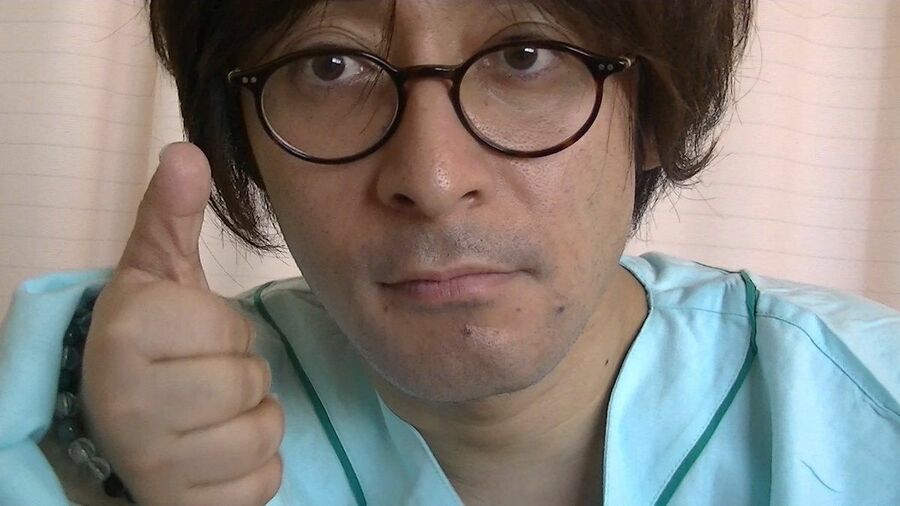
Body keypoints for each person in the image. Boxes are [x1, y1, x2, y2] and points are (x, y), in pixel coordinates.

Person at [0, 0, 897, 505]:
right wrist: (88, 468)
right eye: (329, 66)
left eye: (526, 55)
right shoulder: (119, 417)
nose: (429, 178)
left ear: (655, 112)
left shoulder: (867, 407)